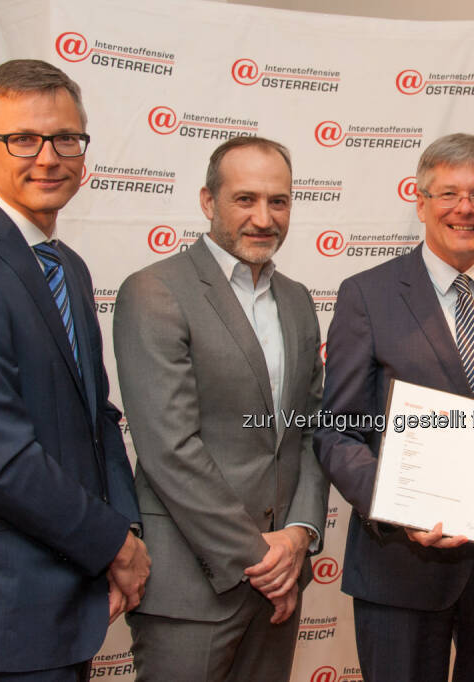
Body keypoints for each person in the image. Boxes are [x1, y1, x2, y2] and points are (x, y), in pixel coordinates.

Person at [0, 59, 150, 681]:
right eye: (23, 139)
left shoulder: (66, 265)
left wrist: (124, 530)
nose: (48, 157)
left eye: (66, 139)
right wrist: (114, 545)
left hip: (73, 590)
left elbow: (97, 416)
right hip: (3, 602)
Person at [314, 132, 474, 681]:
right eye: (448, 193)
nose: (465, 208)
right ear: (420, 201)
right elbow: (336, 433)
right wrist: (401, 507)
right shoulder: (367, 294)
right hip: (401, 566)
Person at [113, 136, 328, 682]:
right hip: (193, 586)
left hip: (281, 580)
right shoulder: (155, 292)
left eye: (278, 201)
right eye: (245, 199)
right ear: (208, 202)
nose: (264, 217)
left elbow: (310, 430)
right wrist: (259, 558)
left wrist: (299, 534)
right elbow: (169, 449)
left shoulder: (299, 300)